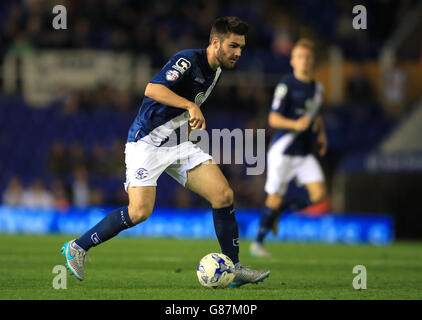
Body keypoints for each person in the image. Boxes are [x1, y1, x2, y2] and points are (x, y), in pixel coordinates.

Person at [61, 16, 270, 287]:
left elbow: (178, 109)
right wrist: (191, 107)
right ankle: (77, 246)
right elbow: (153, 88)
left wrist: (188, 119)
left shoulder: (215, 71)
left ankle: (234, 268)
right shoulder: (187, 60)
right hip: (146, 142)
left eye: (241, 47)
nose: (238, 53)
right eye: (233, 46)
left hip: (177, 143)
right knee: (139, 212)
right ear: (215, 42)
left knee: (223, 194)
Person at [250, 38, 328, 257]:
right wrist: (295, 124)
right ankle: (258, 243)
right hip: (283, 149)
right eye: (300, 57)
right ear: (293, 61)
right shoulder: (287, 85)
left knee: (319, 193)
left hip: (304, 152)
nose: (304, 61)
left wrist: (321, 135)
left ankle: (280, 213)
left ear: (313, 61)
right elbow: (273, 119)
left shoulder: (318, 89)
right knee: (274, 197)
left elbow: (315, 114)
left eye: (308, 57)